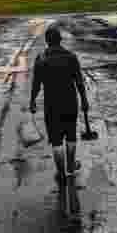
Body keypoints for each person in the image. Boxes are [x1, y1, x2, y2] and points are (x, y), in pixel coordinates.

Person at [29, 26, 89, 184]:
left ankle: (61, 172)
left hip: (51, 105)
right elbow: (79, 82)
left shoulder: (40, 59)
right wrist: (84, 100)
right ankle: (70, 166)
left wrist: (32, 101)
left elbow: (36, 84)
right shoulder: (71, 57)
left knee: (55, 139)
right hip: (70, 102)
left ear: (47, 41)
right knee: (70, 134)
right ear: (60, 40)